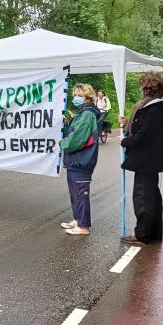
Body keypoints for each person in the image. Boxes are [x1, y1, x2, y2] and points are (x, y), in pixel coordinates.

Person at [118, 71, 163, 246]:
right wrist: (128, 123)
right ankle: (153, 232)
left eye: (143, 85)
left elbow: (143, 136)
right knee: (151, 196)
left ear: (148, 87)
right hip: (151, 159)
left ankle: (142, 234)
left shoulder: (153, 108)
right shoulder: (156, 107)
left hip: (147, 159)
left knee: (143, 197)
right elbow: (142, 127)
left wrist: (125, 141)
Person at [59, 84, 101, 235]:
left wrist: (63, 143)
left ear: (87, 97)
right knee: (75, 193)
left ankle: (83, 226)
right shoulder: (82, 113)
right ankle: (77, 219)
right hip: (75, 161)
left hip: (81, 161)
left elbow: (78, 138)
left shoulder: (87, 114)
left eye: (79, 95)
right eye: (75, 94)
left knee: (80, 193)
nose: (75, 97)